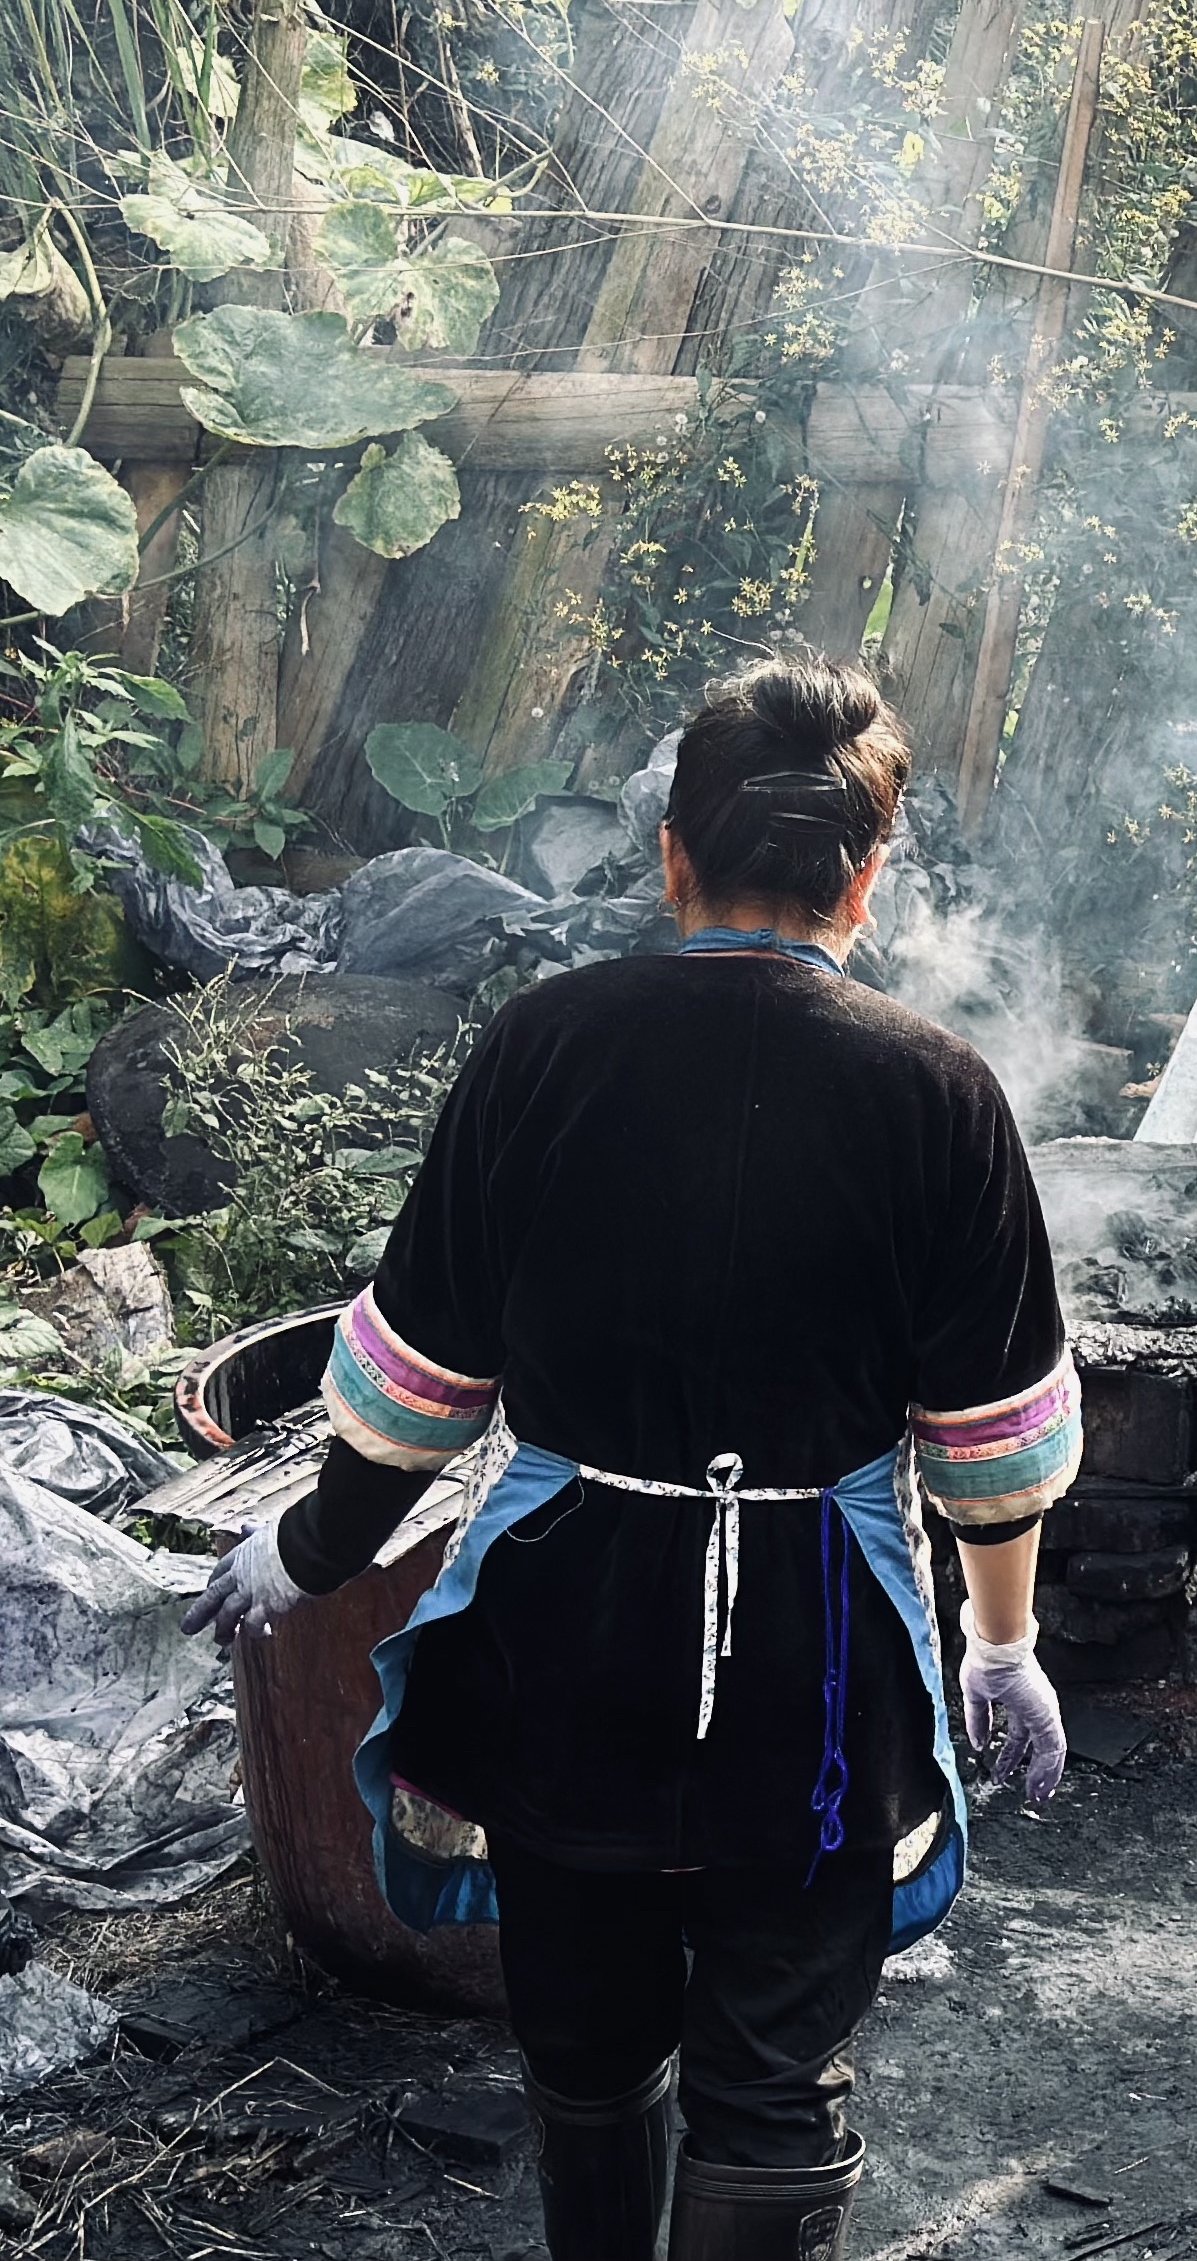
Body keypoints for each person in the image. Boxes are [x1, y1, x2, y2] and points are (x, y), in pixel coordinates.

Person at [184, 655, 1082, 2260]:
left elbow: (418, 1381)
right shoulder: (938, 1090)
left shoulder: (547, 1044)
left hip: (568, 1624)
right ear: (865, 880)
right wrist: (999, 1640)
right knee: (769, 2068)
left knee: (585, 2044)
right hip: (816, 1649)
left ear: (670, 853)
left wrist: (312, 1547)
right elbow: (991, 1439)